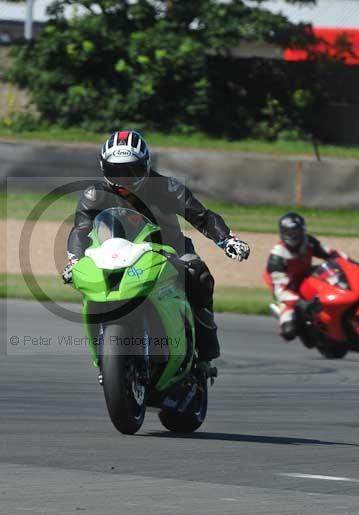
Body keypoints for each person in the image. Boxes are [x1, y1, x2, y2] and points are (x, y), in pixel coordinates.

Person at [61, 130, 251, 361]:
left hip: (170, 249)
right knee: (90, 282)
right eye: (116, 172)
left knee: (198, 276)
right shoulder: (94, 196)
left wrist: (227, 240)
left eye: (132, 171)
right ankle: (106, 351)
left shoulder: (166, 187)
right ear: (104, 169)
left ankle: (205, 342)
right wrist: (75, 261)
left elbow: (203, 217)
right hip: (114, 253)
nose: (125, 179)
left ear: (146, 166)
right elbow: (80, 230)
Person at [265, 212, 349, 341]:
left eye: (297, 231)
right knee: (289, 329)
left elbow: (330, 254)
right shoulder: (277, 257)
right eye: (290, 232)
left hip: (306, 277)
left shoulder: (308, 241)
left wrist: (348, 261)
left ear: (302, 230)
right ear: (282, 233)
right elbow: (280, 290)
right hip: (287, 288)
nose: (294, 236)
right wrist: (300, 303)